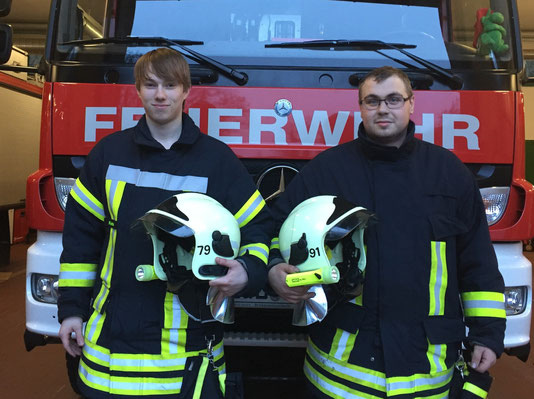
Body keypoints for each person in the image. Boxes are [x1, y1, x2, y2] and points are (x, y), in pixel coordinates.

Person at [268, 66, 506, 399]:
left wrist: (487, 334)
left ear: (412, 104)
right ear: (361, 107)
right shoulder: (328, 170)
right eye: (373, 101)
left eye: (394, 99)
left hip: (427, 369)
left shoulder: (449, 173)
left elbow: (478, 263)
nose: (383, 109)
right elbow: (275, 228)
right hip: (340, 371)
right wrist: (276, 268)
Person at [57, 47, 272, 398]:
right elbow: (81, 243)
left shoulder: (216, 161)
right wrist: (71, 311)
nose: (160, 95)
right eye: (151, 85)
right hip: (110, 341)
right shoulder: (108, 155)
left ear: (186, 91)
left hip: (187, 348)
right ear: (137, 89)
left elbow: (258, 228)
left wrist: (248, 270)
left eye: (170, 85)